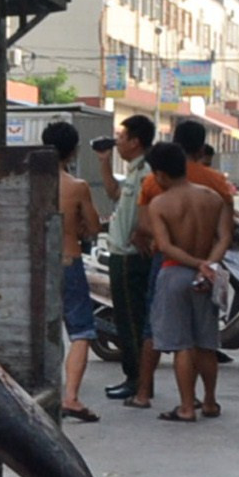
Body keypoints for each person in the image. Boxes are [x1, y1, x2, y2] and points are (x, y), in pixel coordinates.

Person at [135, 143, 230, 424]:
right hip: (207, 276)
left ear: (160, 174)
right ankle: (210, 401)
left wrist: (194, 264)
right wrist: (207, 265)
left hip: (175, 273)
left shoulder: (160, 204)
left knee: (182, 345)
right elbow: (224, 237)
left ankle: (187, 407)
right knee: (206, 343)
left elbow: (164, 245)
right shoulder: (213, 198)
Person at [93, 114, 155, 407]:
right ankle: (136, 379)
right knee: (128, 320)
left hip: (132, 257)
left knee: (132, 322)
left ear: (135, 141)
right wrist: (104, 162)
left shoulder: (147, 173)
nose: (117, 141)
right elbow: (115, 194)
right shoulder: (133, 170)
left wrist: (144, 232)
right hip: (120, 253)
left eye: (121, 137)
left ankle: (137, 381)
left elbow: (150, 208)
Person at [41, 121, 98, 422]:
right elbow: (93, 226)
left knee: (36, 331)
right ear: (73, 150)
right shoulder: (76, 187)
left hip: (36, 264)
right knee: (81, 331)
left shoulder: (29, 180)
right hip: (68, 259)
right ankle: (71, 397)